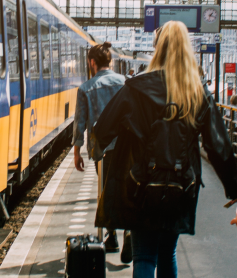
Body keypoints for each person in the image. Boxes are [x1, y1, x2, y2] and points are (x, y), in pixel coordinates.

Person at [91, 21, 237, 278]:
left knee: (144, 255)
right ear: (186, 50)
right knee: (167, 253)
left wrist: (102, 149)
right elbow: (219, 147)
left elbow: (102, 131)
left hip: (140, 186)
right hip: (181, 188)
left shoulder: (135, 88)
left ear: (157, 49)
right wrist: (235, 190)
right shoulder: (198, 92)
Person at [71, 41, 132, 263]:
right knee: (126, 188)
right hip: (127, 147)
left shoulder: (86, 88)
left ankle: (112, 236)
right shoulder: (126, 83)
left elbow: (79, 124)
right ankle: (128, 233)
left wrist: (77, 153)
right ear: (111, 62)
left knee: (105, 191)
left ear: (92, 63)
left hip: (102, 150)